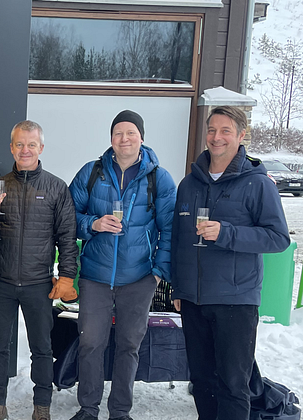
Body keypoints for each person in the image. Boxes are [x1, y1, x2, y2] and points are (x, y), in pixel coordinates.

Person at [171, 105, 289, 420]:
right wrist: (179, 290)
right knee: (201, 381)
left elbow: (278, 238)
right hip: (195, 301)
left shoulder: (258, 184)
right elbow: (179, 242)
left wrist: (227, 233)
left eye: (225, 131)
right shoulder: (189, 184)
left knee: (234, 385)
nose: (216, 137)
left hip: (235, 302)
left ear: (240, 135)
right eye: (212, 130)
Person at [67, 110, 176, 420]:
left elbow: (170, 231)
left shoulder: (159, 178)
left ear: (141, 137)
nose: (124, 139)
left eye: (130, 133)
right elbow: (68, 218)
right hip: (96, 276)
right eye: (118, 133)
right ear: (111, 138)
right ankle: (88, 409)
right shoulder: (92, 172)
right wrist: (93, 223)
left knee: (129, 345)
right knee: (91, 344)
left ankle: (120, 411)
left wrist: (157, 274)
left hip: (139, 278)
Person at [0, 120, 79, 420]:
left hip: (38, 283)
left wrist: (67, 275)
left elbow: (67, 238)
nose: (25, 150)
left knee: (42, 349)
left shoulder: (56, 188)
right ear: (11, 148)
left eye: (31, 144)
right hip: (1, 282)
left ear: (41, 148)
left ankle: (41, 408)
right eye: (19, 144)